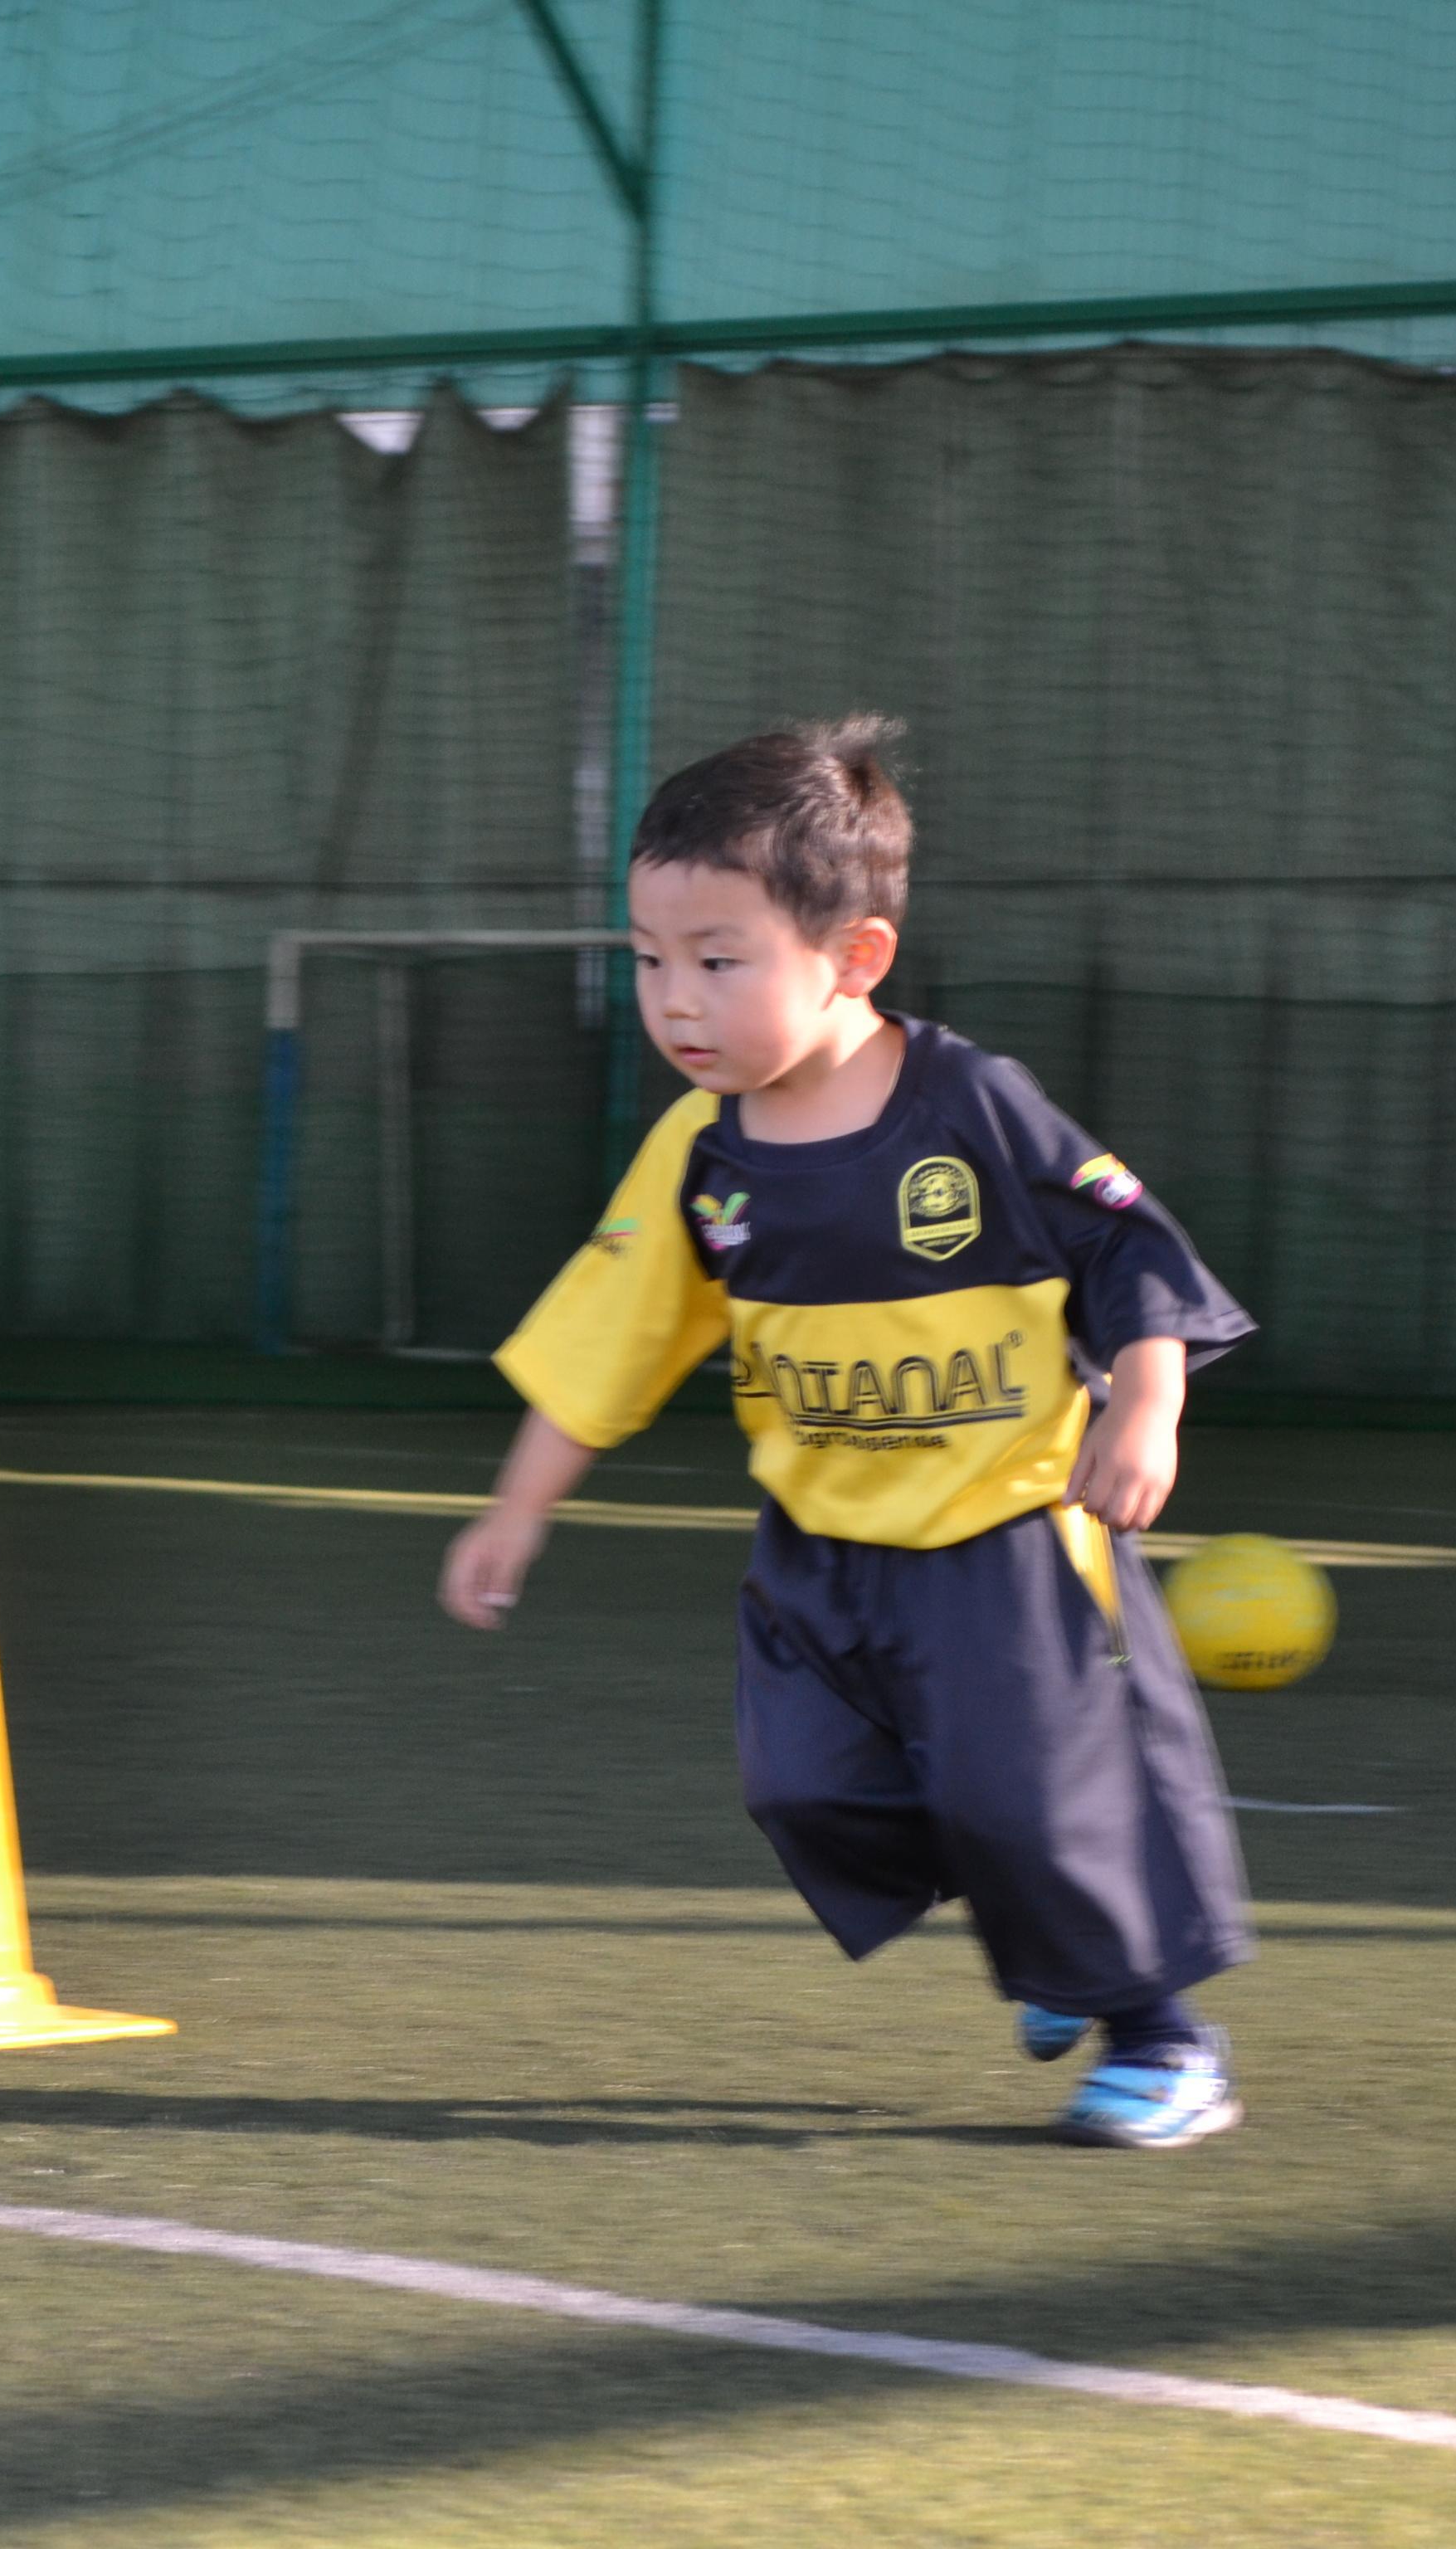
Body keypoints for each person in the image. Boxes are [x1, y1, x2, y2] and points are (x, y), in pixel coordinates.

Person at [436, 718, 1259, 2149]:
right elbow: (601, 1343)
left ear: (854, 957)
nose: (672, 999)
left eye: (715, 957)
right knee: (800, 1787)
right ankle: (1041, 1922)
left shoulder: (972, 1107)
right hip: (817, 1552)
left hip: (1001, 1532)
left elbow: (1131, 1252)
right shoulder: (696, 1152)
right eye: (645, 958)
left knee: (1030, 1798)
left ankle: (1161, 2039)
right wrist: (514, 1510)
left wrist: (1144, 1400)